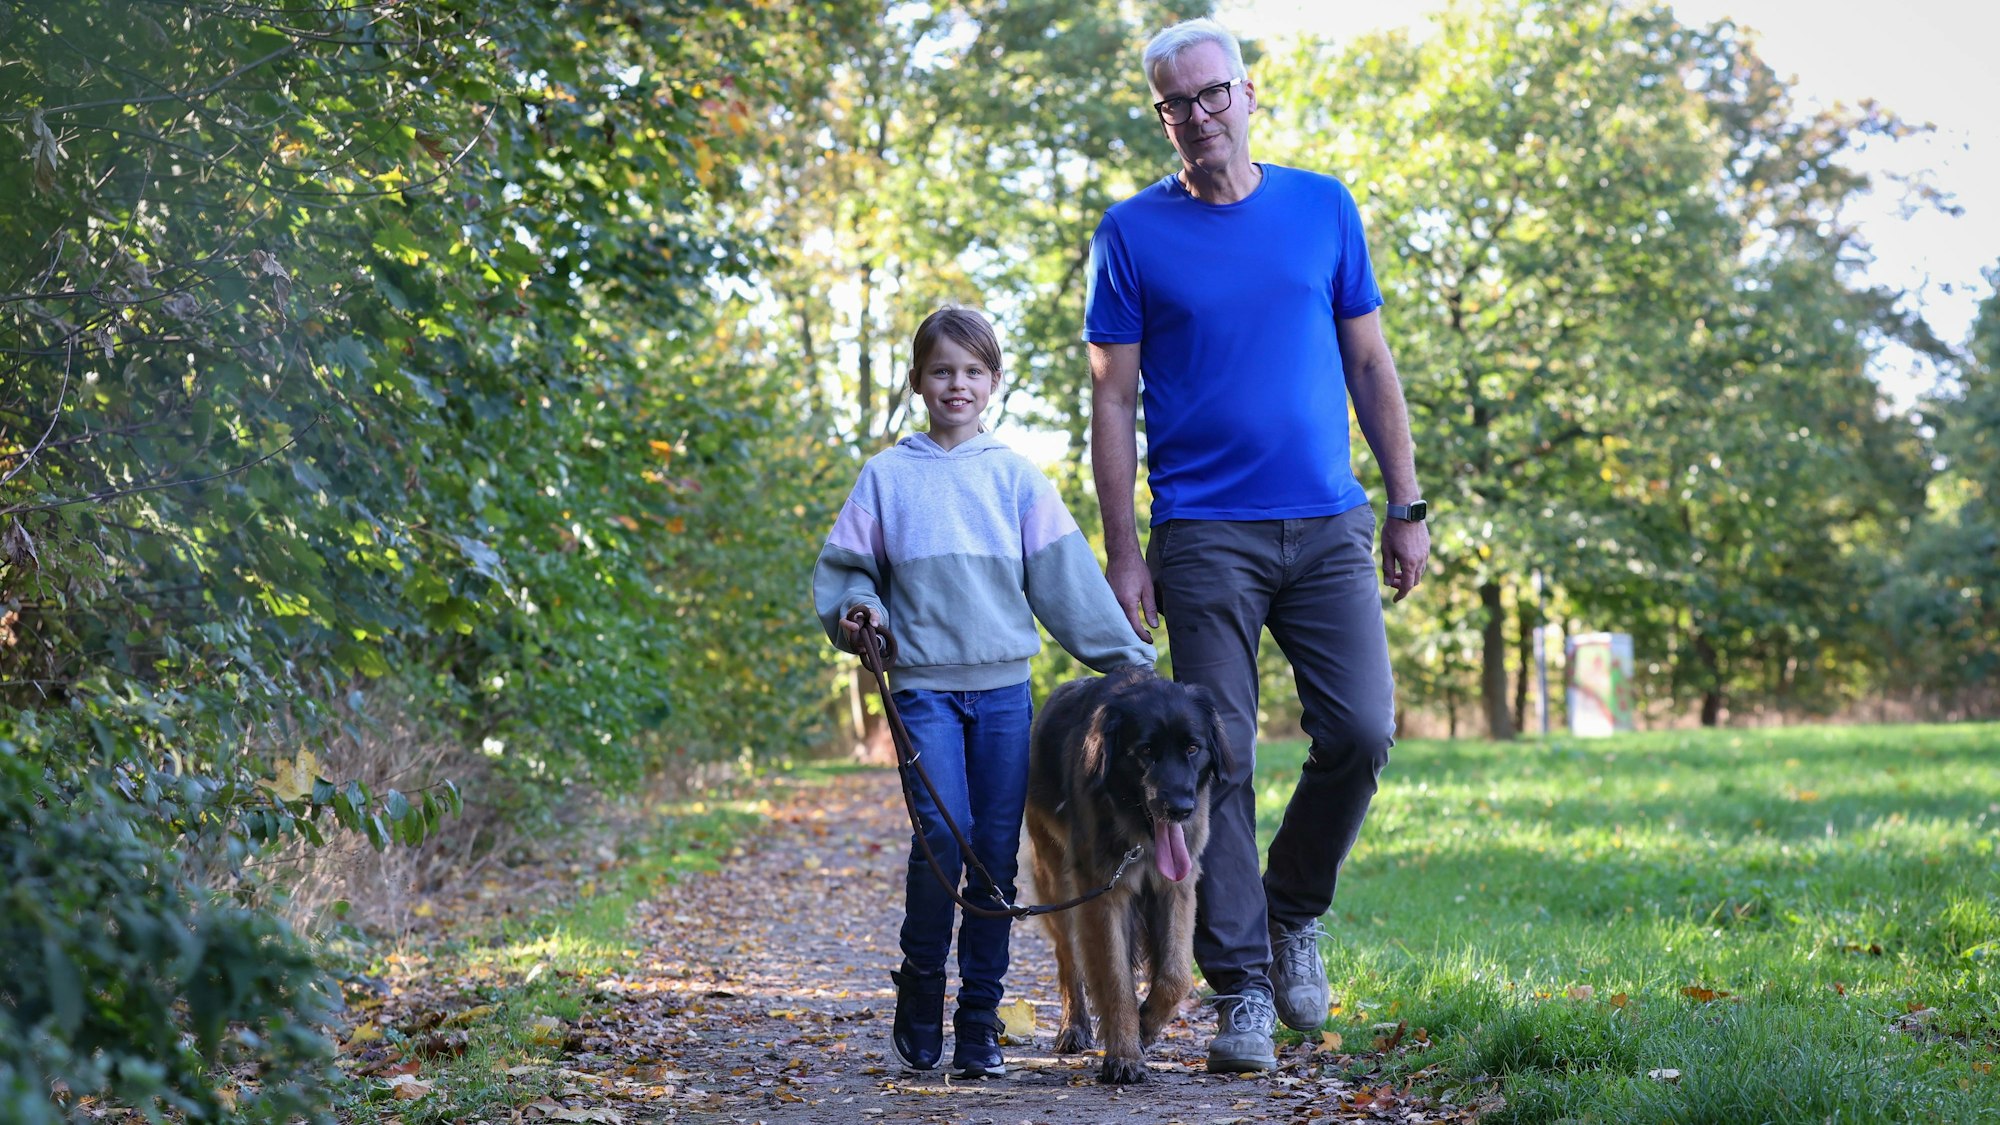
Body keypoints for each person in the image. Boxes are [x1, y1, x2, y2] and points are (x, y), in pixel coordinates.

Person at [1083, 17, 1432, 1074]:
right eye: (1174, 103)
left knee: (1361, 731)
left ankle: (1293, 911)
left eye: (1211, 93)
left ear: (1246, 94)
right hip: (1202, 533)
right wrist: (1123, 549)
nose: (1197, 115)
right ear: (1163, 118)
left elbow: (1369, 364)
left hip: (1327, 521)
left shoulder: (1323, 207)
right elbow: (1112, 399)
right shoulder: (1130, 233)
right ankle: (1239, 987)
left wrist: (1407, 503)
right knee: (1217, 755)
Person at [813, 305, 1155, 1079]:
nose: (956, 384)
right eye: (942, 371)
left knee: (996, 853)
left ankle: (979, 1021)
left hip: (1003, 693)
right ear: (917, 381)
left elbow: (1068, 585)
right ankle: (921, 981)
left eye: (972, 371)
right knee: (944, 835)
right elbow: (847, 572)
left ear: (993, 381)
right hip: (923, 688)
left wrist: (1133, 662)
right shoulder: (887, 476)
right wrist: (860, 608)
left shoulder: (1015, 477)